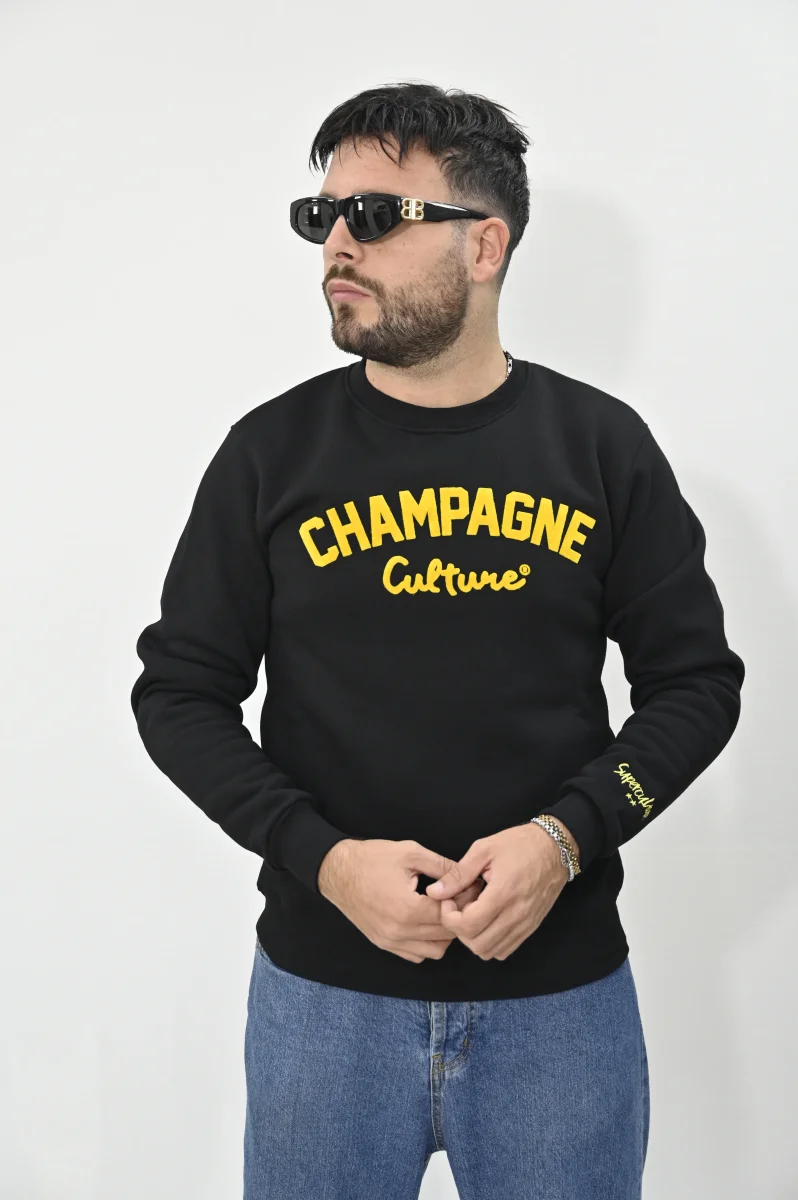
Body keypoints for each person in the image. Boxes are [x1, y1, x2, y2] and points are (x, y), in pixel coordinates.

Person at [130, 82, 745, 1199]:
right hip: (323, 1006)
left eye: (376, 215)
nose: (338, 246)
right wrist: (324, 860)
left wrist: (567, 839)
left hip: (561, 1010)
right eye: (322, 218)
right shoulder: (270, 454)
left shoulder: (601, 448)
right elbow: (177, 693)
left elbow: (697, 685)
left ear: (485, 245)